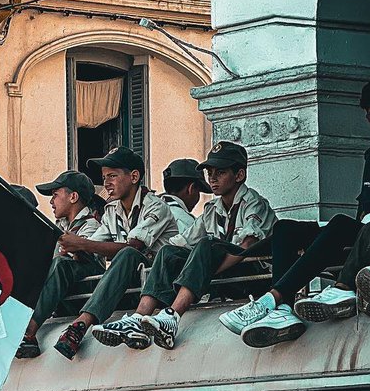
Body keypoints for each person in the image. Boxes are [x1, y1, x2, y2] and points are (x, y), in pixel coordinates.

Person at [220, 79, 370, 346]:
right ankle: (282, 310)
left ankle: (326, 291)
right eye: (369, 117)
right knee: (287, 229)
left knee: (343, 224)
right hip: (368, 233)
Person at [90, 143, 275, 352]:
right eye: (210, 173)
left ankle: (173, 316)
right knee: (169, 252)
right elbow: (182, 242)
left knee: (208, 245)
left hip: (251, 276)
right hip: (221, 276)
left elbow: (245, 247)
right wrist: (173, 263)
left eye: (220, 173)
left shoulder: (254, 203)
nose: (212, 178)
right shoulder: (211, 210)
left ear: (239, 175)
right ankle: (139, 317)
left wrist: (204, 269)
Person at [50, 148, 179, 359]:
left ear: (134, 176)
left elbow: (133, 247)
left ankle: (81, 324)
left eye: (112, 176)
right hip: (127, 288)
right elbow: (95, 244)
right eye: (104, 177)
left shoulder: (157, 206)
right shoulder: (112, 211)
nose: (107, 183)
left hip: (157, 289)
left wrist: (81, 243)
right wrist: (76, 248)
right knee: (65, 263)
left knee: (128, 254)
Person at [16, 171, 103, 359]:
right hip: (63, 290)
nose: (51, 201)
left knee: (62, 264)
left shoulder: (92, 225)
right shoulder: (60, 226)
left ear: (73, 197)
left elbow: (87, 258)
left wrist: (75, 248)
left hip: (85, 291)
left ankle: (29, 330)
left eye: (55, 195)